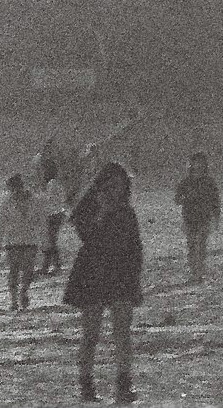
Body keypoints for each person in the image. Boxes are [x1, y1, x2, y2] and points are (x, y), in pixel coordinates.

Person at [64, 162, 142, 404]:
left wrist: (135, 277)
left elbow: (135, 247)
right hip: (93, 273)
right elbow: (86, 236)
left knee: (122, 333)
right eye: (109, 184)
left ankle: (123, 385)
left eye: (119, 185)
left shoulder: (127, 212)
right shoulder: (90, 209)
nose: (114, 189)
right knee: (91, 333)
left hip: (120, 274)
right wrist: (101, 212)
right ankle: (86, 386)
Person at [0, 173, 46, 311]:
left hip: (30, 240)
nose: (14, 191)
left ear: (21, 186)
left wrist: (44, 239)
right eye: (12, 189)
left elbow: (41, 221)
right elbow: (1, 223)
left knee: (28, 271)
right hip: (12, 242)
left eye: (16, 188)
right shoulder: (7, 203)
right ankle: (13, 300)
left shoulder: (34, 201)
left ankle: (24, 291)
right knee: (14, 271)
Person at [174, 151, 220, 285]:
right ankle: (195, 271)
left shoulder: (209, 181)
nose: (197, 165)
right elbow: (177, 199)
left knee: (202, 245)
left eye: (200, 162)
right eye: (195, 162)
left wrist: (216, 215)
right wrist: (186, 198)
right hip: (190, 217)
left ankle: (199, 271)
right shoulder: (186, 182)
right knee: (193, 245)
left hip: (204, 217)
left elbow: (215, 200)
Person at [41, 161, 68, 274]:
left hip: (53, 214)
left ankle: (54, 266)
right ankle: (47, 266)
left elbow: (49, 200)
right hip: (58, 213)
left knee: (51, 241)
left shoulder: (51, 184)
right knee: (51, 241)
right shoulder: (57, 184)